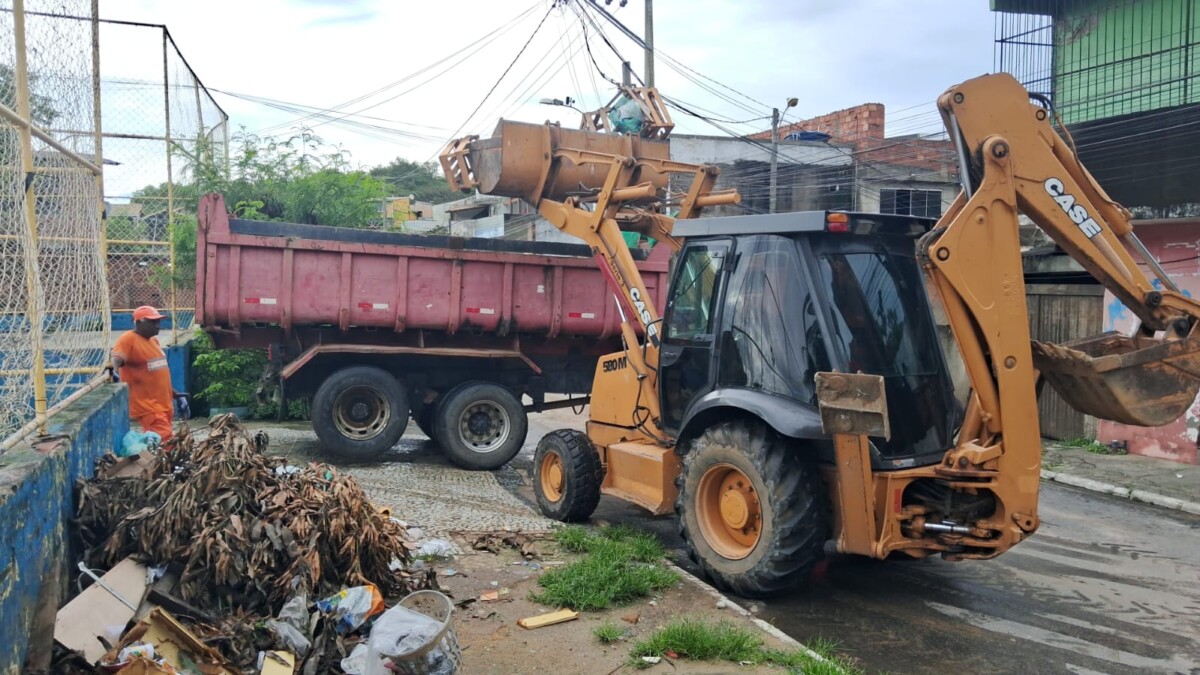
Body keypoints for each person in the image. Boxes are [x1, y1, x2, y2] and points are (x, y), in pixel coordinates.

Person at [112, 305, 182, 440]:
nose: (157, 325)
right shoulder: (128, 339)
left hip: (164, 404)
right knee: (165, 442)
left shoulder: (153, 341)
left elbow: (156, 372)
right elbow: (117, 359)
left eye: (158, 322)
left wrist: (176, 394)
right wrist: (113, 372)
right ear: (138, 322)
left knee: (161, 441)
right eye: (152, 322)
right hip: (149, 406)